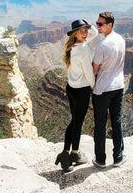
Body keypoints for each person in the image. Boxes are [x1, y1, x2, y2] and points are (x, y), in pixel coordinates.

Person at [55, 18, 98, 172]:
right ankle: (70, 155)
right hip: (81, 91)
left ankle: (70, 154)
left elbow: (92, 36)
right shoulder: (84, 49)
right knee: (77, 124)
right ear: (75, 34)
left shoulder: (72, 46)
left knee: (74, 122)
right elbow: (88, 71)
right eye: (82, 31)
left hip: (71, 88)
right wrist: (94, 88)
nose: (86, 33)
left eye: (86, 30)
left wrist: (89, 27)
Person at [91, 11, 127, 168]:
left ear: (109, 25)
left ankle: (100, 159)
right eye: (97, 23)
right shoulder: (121, 39)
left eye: (100, 24)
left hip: (103, 89)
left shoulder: (102, 45)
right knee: (116, 120)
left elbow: (95, 69)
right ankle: (118, 157)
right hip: (118, 86)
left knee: (100, 124)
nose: (97, 26)